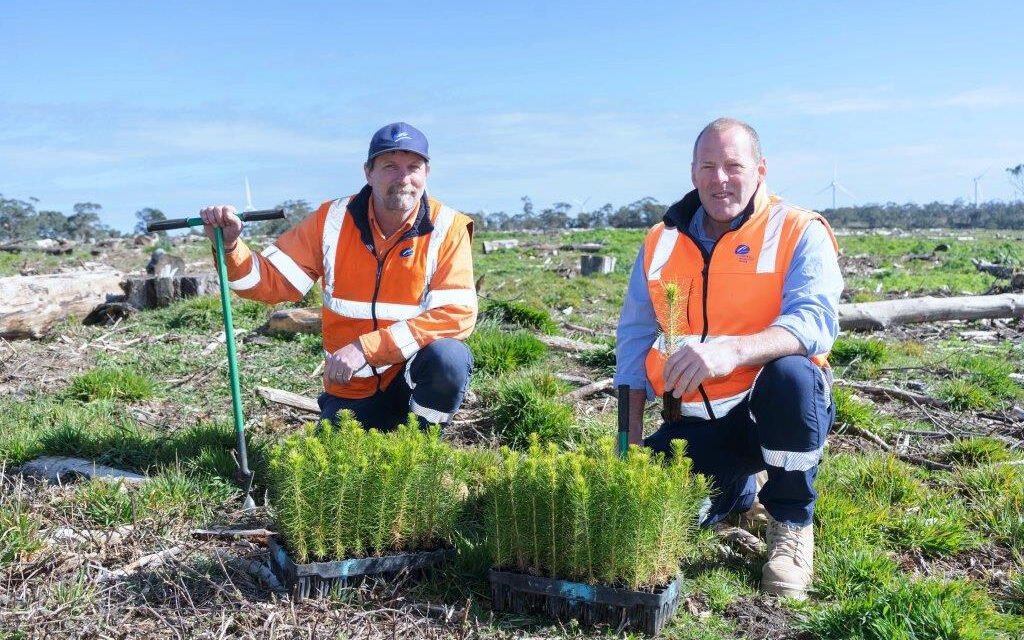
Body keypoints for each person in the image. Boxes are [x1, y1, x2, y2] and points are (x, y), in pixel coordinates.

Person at [614, 117, 843, 599]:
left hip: (773, 412)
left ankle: (791, 524)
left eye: (734, 166)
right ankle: (740, 493)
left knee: (793, 375)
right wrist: (625, 456)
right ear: (693, 172)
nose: (720, 179)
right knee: (652, 515)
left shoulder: (799, 230)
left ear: (760, 170)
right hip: (695, 423)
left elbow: (815, 321)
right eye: (709, 166)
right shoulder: (660, 241)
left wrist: (732, 351)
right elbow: (633, 347)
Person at [200, 122, 477, 432]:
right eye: (389, 166)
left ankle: (423, 445)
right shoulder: (331, 220)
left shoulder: (448, 227)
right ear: (368, 172)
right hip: (351, 389)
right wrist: (229, 246)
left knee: (449, 359)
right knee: (328, 471)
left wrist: (365, 348)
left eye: (413, 167)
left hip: (410, 380)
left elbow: (456, 314)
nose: (403, 178)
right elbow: (269, 282)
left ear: (427, 173)